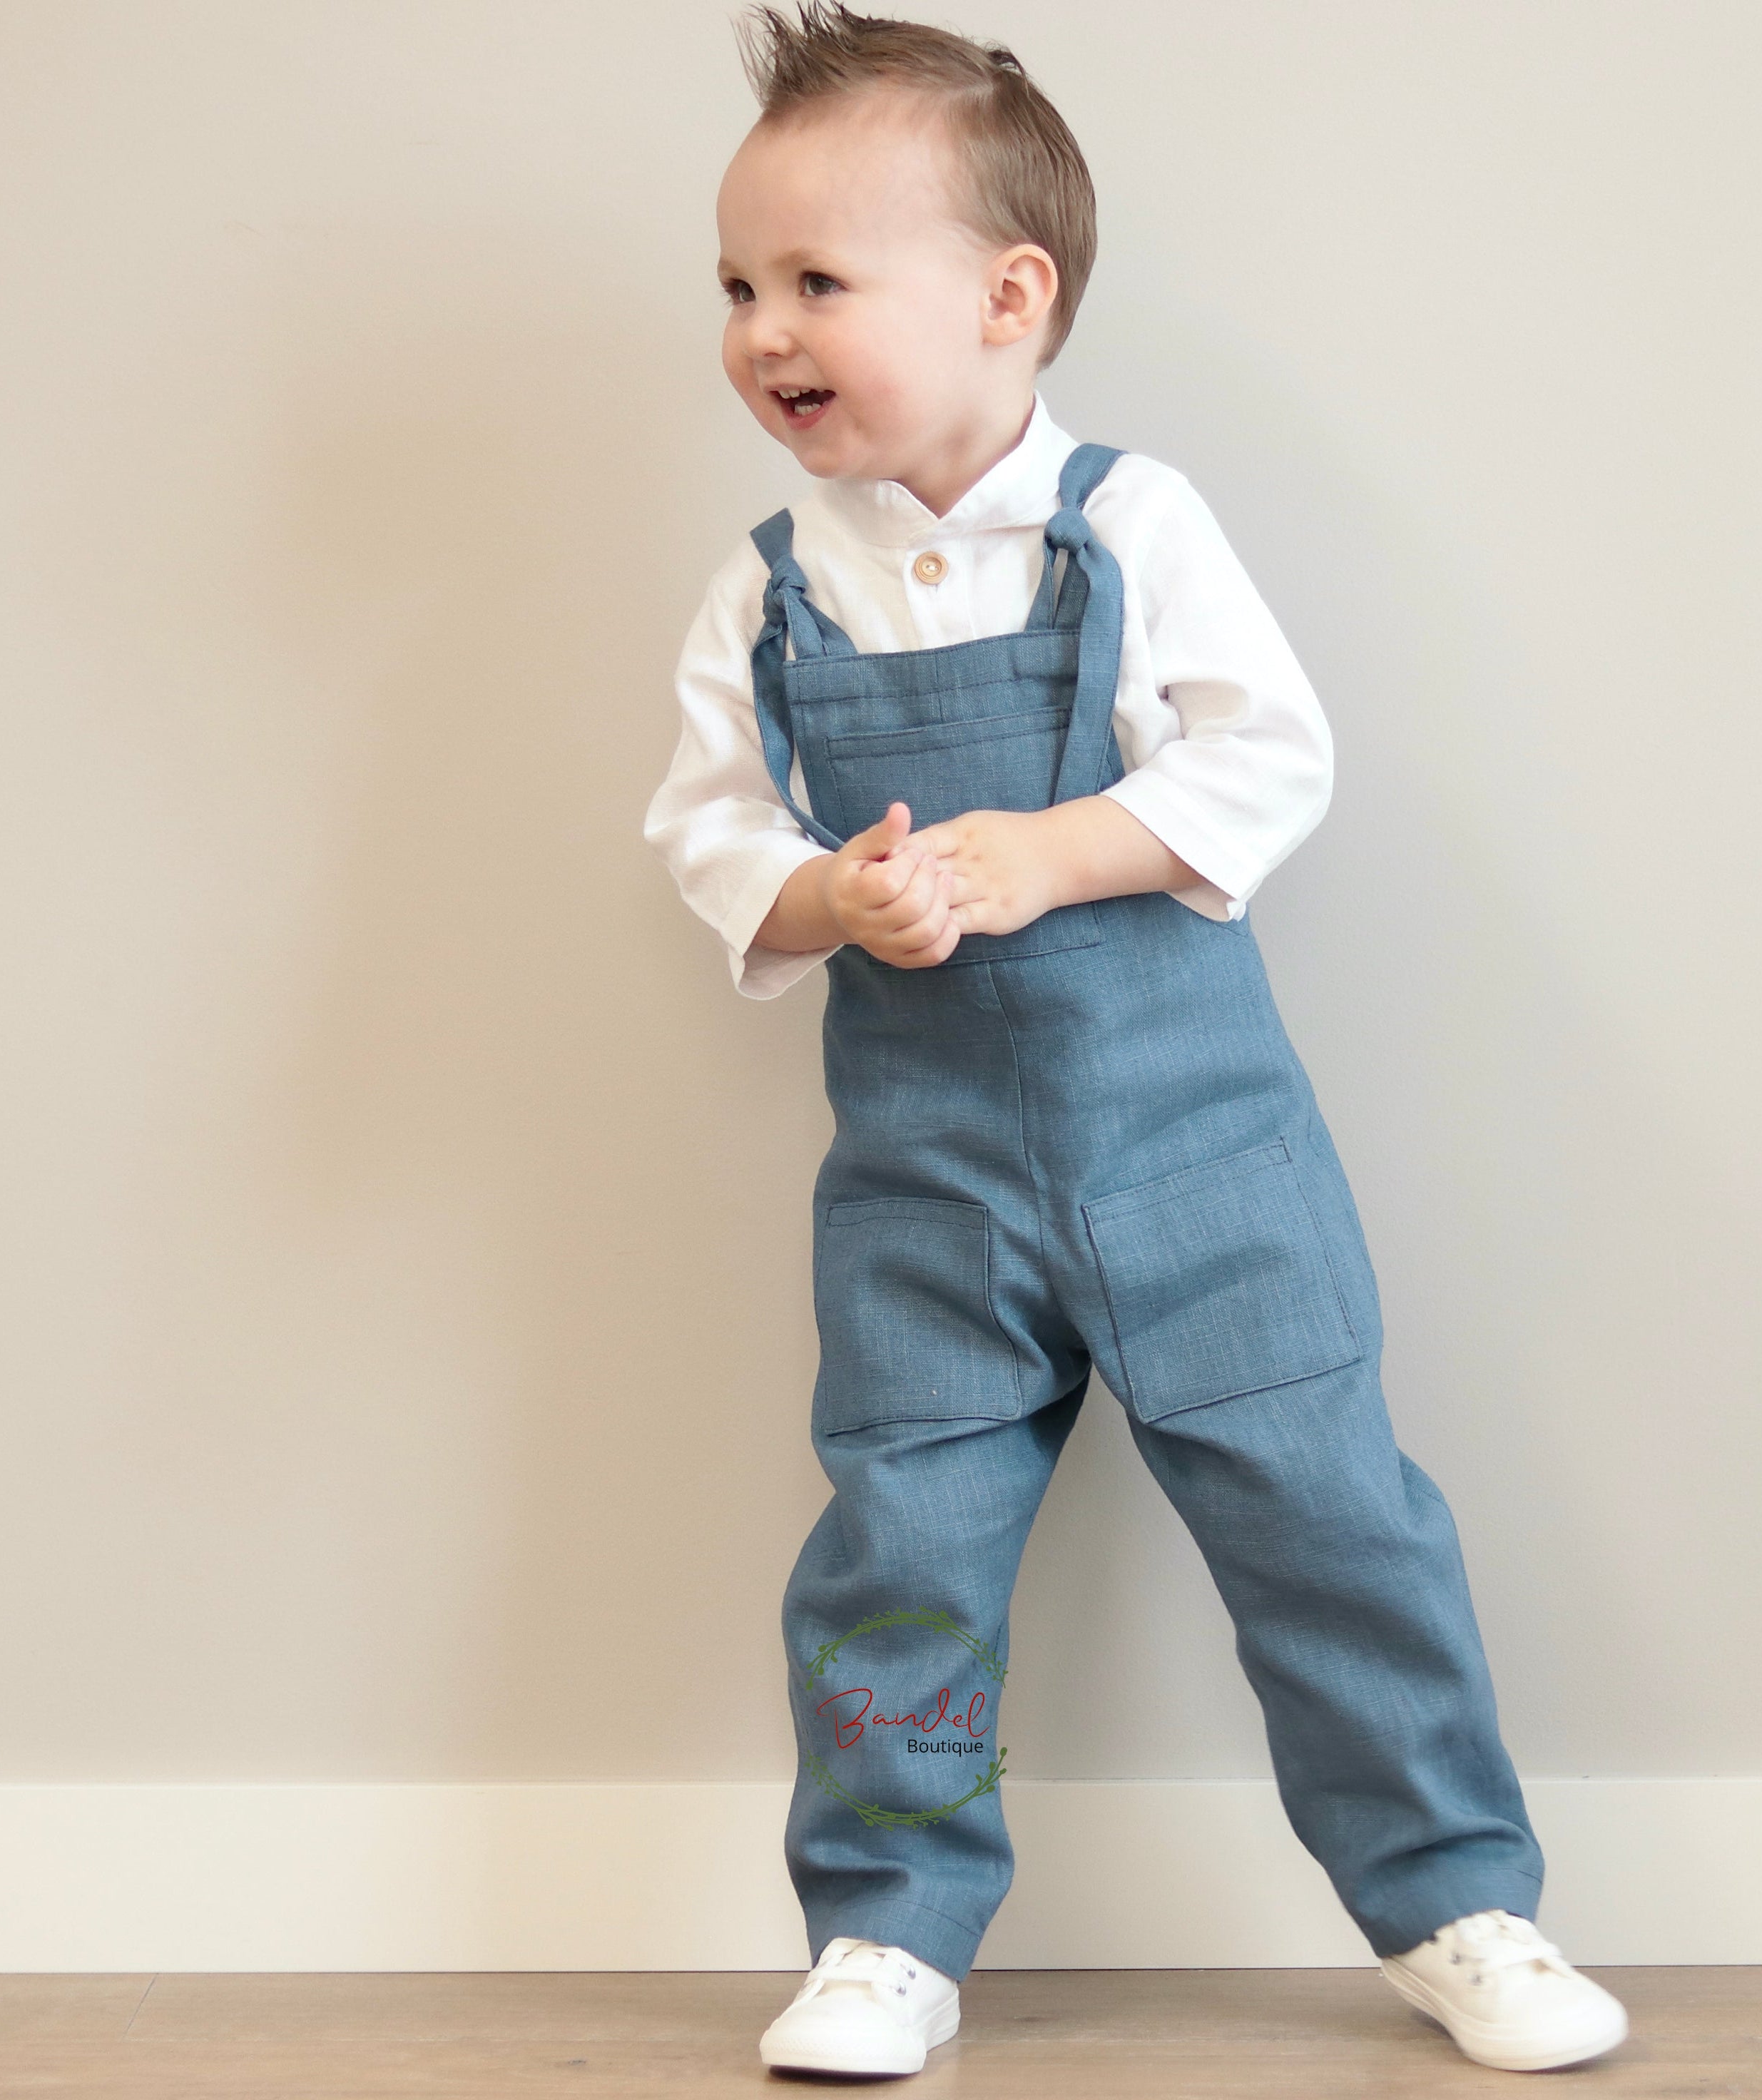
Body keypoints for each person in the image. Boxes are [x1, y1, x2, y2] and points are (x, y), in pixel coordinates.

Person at [644, 3, 1629, 2079]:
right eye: (737, 286)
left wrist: (1047, 855)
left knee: (1330, 1519)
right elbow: (708, 826)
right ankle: (887, 1930)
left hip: (1200, 1162)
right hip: (922, 1185)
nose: (762, 329)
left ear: (1012, 299)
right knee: (897, 1547)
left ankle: (1458, 1898)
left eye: (816, 281)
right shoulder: (763, 599)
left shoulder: (1130, 526)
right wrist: (833, 895)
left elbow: (1268, 760)